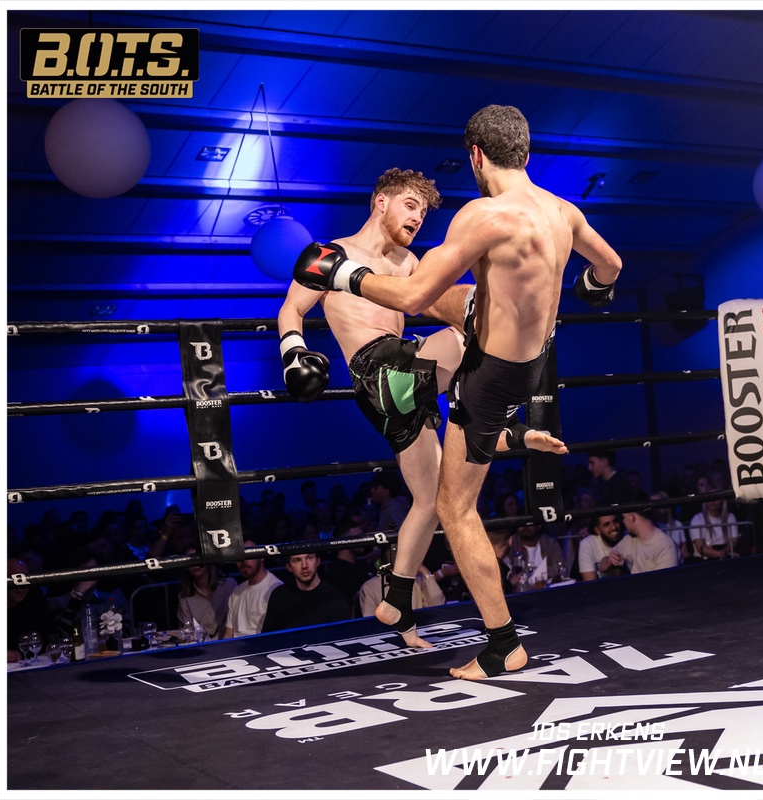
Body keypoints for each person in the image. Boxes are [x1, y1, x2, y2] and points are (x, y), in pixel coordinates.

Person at [292, 105, 620, 679]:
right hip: (513, 367)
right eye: (410, 205)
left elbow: (412, 299)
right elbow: (611, 264)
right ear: (525, 152)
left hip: (473, 373)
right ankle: (398, 598)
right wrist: (593, 285)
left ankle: (502, 644)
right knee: (469, 310)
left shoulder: (481, 215)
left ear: (476, 155)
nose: (418, 216)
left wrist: (343, 275)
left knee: (451, 505)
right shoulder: (563, 211)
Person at [279, 166, 565, 650]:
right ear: (381, 201)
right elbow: (292, 308)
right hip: (379, 371)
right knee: (473, 335)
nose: (417, 217)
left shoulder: (409, 262)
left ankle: (396, 600)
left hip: (405, 388)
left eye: (424, 212)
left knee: (432, 500)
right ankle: (507, 422)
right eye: (410, 205)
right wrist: (293, 353)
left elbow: (427, 302)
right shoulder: (334, 255)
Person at [260, 552, 352, 633]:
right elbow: (268, 638)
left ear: (318, 561)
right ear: (289, 566)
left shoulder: (335, 598)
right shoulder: (279, 596)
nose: (304, 566)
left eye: (309, 558)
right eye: (297, 560)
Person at [223, 541, 283, 638]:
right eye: (239, 557)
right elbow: (228, 634)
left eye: (249, 555)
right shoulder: (236, 592)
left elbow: (277, 637)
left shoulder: (276, 590)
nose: (244, 562)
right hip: (236, 646)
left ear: (261, 556)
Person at [177, 549, 237, 640]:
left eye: (197, 559)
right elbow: (186, 630)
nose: (195, 564)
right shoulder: (185, 597)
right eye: (191, 561)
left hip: (228, 640)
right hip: (200, 644)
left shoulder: (229, 585)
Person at [602, 510, 679, 576]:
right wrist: (609, 560)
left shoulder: (665, 546)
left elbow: (664, 583)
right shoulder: (629, 540)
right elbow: (601, 566)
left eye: (624, 517)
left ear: (632, 518)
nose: (623, 521)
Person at [578, 514, 627, 581]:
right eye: (607, 524)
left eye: (615, 521)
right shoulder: (587, 544)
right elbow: (590, 582)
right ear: (597, 530)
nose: (614, 527)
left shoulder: (628, 538)